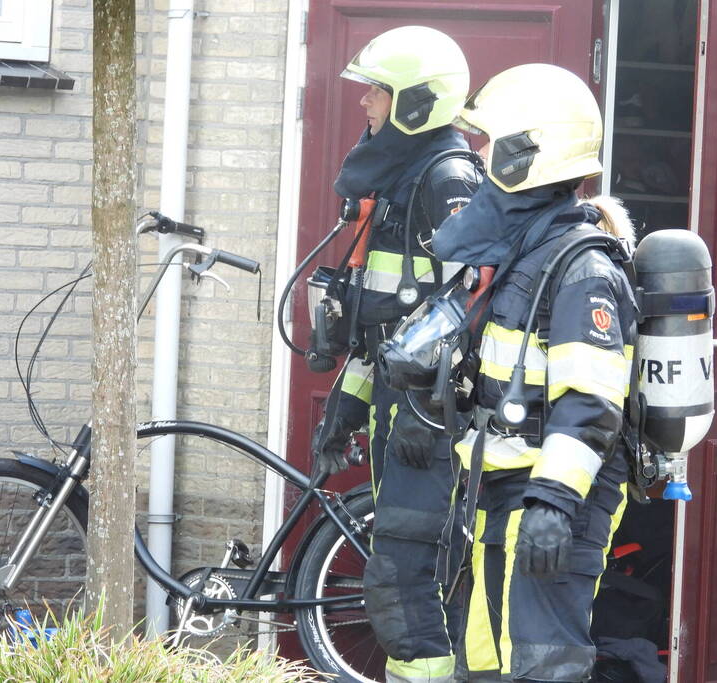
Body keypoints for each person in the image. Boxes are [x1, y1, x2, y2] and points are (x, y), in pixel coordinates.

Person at [429, 63, 637, 682]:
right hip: (503, 492)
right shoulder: (525, 252)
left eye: (491, 143)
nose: (478, 155)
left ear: (529, 155)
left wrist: (553, 502)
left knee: (543, 665)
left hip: (552, 501)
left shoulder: (582, 270)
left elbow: (592, 401)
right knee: (487, 664)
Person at [311, 25, 481, 683]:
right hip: (401, 409)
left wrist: (424, 408)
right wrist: (345, 409)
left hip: (428, 420)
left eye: (377, 90)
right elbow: (384, 328)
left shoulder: (446, 179)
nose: (364, 102)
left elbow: (472, 305)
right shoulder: (401, 177)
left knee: (408, 574)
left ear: (416, 102)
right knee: (398, 571)